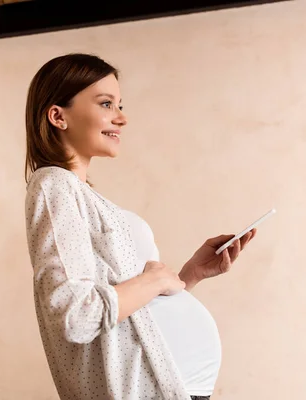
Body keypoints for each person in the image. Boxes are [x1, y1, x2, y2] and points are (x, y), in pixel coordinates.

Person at [24, 53, 256, 400]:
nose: (122, 117)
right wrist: (152, 280)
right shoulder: (54, 186)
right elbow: (76, 315)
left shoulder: (84, 196)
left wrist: (187, 276)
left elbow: (129, 316)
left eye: (119, 104)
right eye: (106, 104)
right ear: (58, 116)